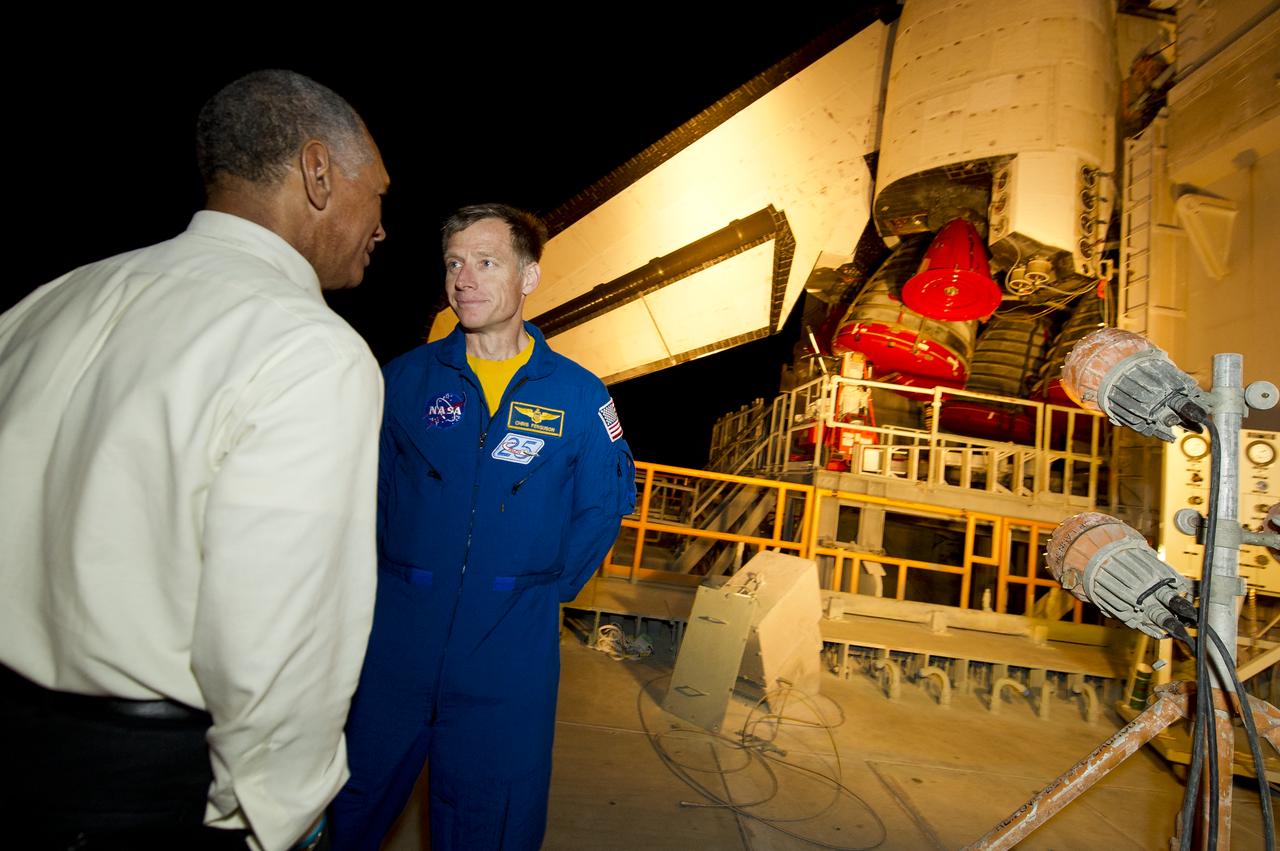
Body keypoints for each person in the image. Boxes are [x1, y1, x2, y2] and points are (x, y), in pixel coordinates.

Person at [0, 70, 389, 851]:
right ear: (317, 172)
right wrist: (274, 814)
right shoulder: (310, 350)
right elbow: (279, 641)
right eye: (377, 194)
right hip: (139, 791)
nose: (382, 226)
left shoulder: (46, 303)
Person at [331, 204, 636, 850]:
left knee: (492, 823)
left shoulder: (580, 397)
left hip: (509, 656)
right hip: (394, 645)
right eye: (453, 263)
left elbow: (603, 504)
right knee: (344, 807)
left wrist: (536, 589)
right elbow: (363, 496)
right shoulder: (405, 381)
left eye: (486, 262)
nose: (463, 279)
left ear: (528, 277)